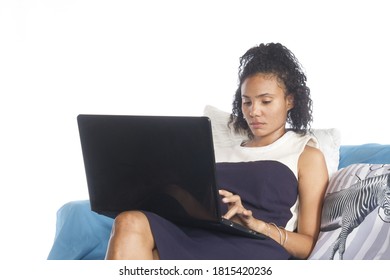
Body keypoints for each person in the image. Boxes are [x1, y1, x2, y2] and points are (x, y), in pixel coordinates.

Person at [105, 42, 329, 260]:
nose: (254, 112)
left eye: (266, 101)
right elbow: (198, 207)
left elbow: (308, 244)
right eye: (247, 102)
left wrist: (258, 225)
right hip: (197, 235)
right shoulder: (217, 152)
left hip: (255, 245)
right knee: (128, 221)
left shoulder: (305, 154)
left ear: (290, 101)